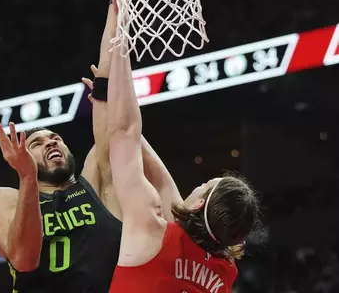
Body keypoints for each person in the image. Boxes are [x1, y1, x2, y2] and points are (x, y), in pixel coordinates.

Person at [0, 0, 180, 292]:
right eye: (37, 142)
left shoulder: (98, 182)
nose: (50, 142)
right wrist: (28, 176)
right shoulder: (6, 197)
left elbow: (107, 85)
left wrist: (118, 0)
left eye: (55, 138)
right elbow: (23, 257)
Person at [105, 31, 262, 292]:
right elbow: (165, 186)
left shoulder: (151, 230)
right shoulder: (225, 274)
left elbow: (124, 131)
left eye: (204, 184)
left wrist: (120, 31)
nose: (197, 187)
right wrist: (114, 106)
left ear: (200, 201)